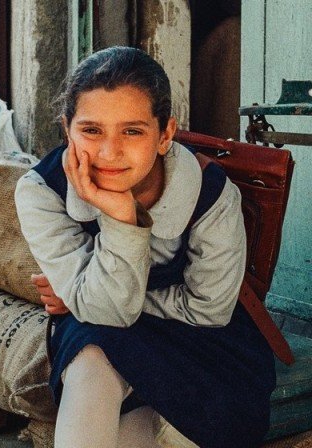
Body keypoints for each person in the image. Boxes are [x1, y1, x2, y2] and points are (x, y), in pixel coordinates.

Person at [14, 46, 276, 448]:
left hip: (201, 340)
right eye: (91, 130)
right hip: (99, 331)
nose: (109, 152)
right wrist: (120, 216)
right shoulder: (41, 192)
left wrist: (81, 295)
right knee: (91, 353)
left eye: (132, 131)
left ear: (165, 134)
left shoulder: (210, 193)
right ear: (67, 129)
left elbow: (208, 308)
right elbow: (106, 313)